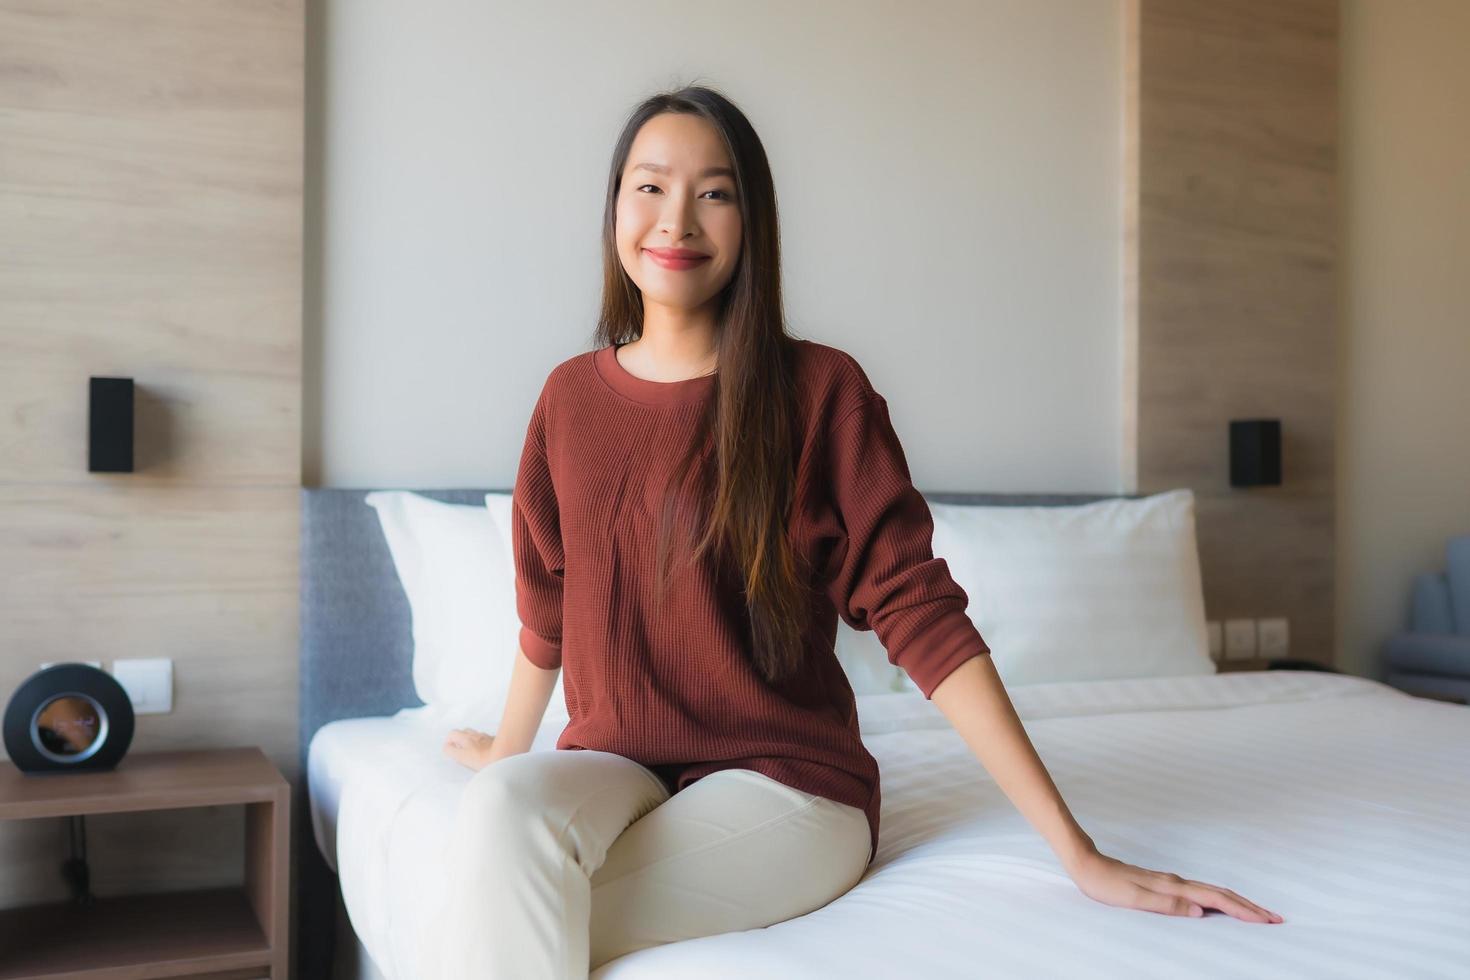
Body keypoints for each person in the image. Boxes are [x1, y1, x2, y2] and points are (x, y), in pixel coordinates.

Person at [430, 83, 1283, 979]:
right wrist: (504, 750)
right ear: (614, 208)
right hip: (618, 765)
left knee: (503, 906)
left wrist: (1078, 851)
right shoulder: (569, 400)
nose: (676, 219)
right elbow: (549, 609)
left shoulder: (819, 392)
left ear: (753, 221)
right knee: (498, 815)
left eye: (715, 193)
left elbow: (921, 616)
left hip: (788, 789)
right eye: (650, 186)